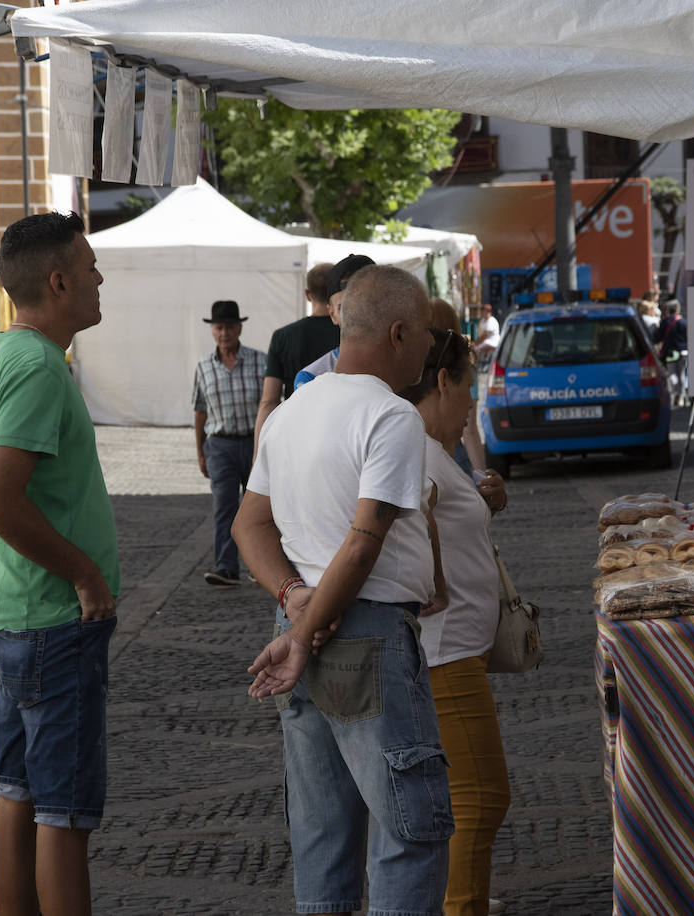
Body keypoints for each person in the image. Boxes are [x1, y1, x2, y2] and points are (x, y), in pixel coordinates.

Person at [235, 264, 453, 916]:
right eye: (424, 335)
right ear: (396, 333)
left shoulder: (290, 413)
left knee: (324, 838)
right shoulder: (392, 416)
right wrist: (303, 631)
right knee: (409, 831)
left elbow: (248, 525)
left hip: (307, 628)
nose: (428, 348)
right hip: (364, 637)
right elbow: (362, 542)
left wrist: (292, 599)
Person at [0, 211, 119, 916]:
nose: (98, 278)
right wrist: (86, 573)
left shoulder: (1, 354)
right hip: (51, 619)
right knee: (62, 811)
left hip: (13, 614)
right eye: (88, 268)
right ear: (58, 282)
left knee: (19, 792)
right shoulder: (36, 367)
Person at [400, 329, 512, 916]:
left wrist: (482, 499)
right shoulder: (415, 452)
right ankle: (459, 905)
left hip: (456, 650)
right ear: (443, 381)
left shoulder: (435, 452)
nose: (473, 401)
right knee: (482, 798)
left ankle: (459, 897)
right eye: (469, 385)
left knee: (462, 797)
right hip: (442, 653)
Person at [192, 299, 267, 586]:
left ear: (239, 328)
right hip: (219, 445)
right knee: (224, 505)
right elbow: (199, 409)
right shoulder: (203, 366)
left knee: (259, 507)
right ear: (212, 330)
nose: (225, 333)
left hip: (254, 443)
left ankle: (261, 567)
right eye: (219, 328)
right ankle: (226, 566)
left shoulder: (260, 361)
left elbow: (271, 404)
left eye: (230, 327)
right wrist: (200, 451)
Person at [253, 262, 338, 445]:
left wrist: (258, 454)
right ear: (336, 291)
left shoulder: (282, 336)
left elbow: (269, 401)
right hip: (338, 428)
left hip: (296, 430)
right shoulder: (350, 333)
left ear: (308, 294)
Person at [293, 253, 375, 390]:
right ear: (332, 314)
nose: (357, 313)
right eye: (344, 307)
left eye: (368, 303)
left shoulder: (409, 367)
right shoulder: (311, 377)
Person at [428, 298, 486, 478]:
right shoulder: (462, 367)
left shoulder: (414, 368)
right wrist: (482, 477)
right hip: (453, 455)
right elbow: (470, 430)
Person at [654, 298, 688, 405]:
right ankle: (681, 396)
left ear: (668, 310)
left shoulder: (665, 322)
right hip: (683, 352)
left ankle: (676, 393)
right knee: (682, 374)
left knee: (672, 374)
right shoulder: (684, 322)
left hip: (670, 353)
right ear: (677, 309)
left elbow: (657, 338)